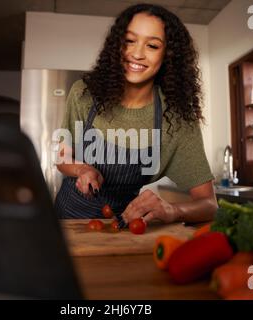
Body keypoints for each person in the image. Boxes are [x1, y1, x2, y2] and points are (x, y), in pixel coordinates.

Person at [54, 3, 217, 224]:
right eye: (130, 41)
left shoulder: (176, 119)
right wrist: (81, 168)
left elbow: (209, 205)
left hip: (122, 226)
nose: (137, 54)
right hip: (65, 220)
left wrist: (172, 210)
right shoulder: (83, 93)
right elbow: (63, 157)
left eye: (152, 45)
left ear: (168, 54)